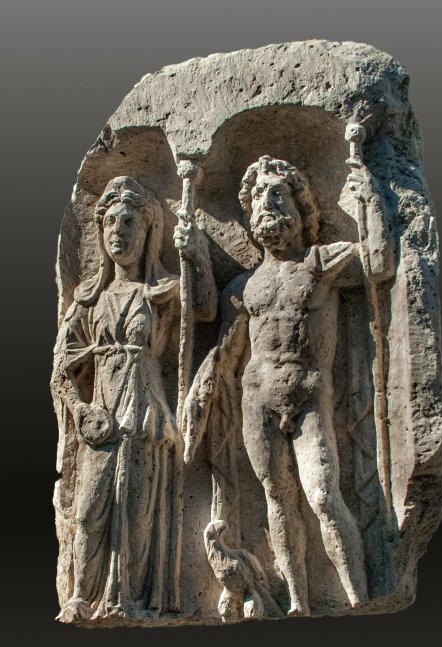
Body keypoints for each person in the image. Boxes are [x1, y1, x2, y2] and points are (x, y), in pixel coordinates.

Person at [182, 156, 394, 615]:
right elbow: (221, 347)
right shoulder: (243, 286)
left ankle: (359, 597)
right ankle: (298, 601)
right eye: (260, 195)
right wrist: (196, 257)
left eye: (278, 193)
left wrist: (370, 198)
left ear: (302, 209)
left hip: (308, 394)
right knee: (277, 499)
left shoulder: (321, 262)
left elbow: (379, 265)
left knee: (322, 495)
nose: (268, 202)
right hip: (257, 398)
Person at [52, 176, 216, 622]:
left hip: (144, 413)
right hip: (102, 413)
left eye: (129, 223)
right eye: (110, 223)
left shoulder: (161, 291)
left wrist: (197, 255)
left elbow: (204, 309)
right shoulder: (89, 301)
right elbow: (62, 368)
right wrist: (80, 411)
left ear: (148, 232)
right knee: (89, 513)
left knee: (136, 515)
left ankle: (130, 601)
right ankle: (81, 596)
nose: (118, 232)